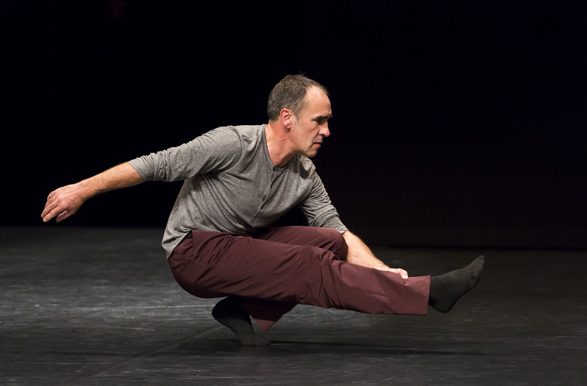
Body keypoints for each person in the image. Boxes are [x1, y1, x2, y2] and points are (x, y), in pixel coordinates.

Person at [41, 74, 484, 346]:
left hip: (238, 246)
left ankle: (242, 309)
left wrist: (385, 270)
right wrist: (80, 190)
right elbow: (157, 164)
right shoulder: (232, 143)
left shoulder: (303, 171)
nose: (327, 131)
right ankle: (428, 295)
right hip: (194, 251)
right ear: (287, 118)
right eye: (319, 120)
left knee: (327, 241)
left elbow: (336, 227)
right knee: (307, 264)